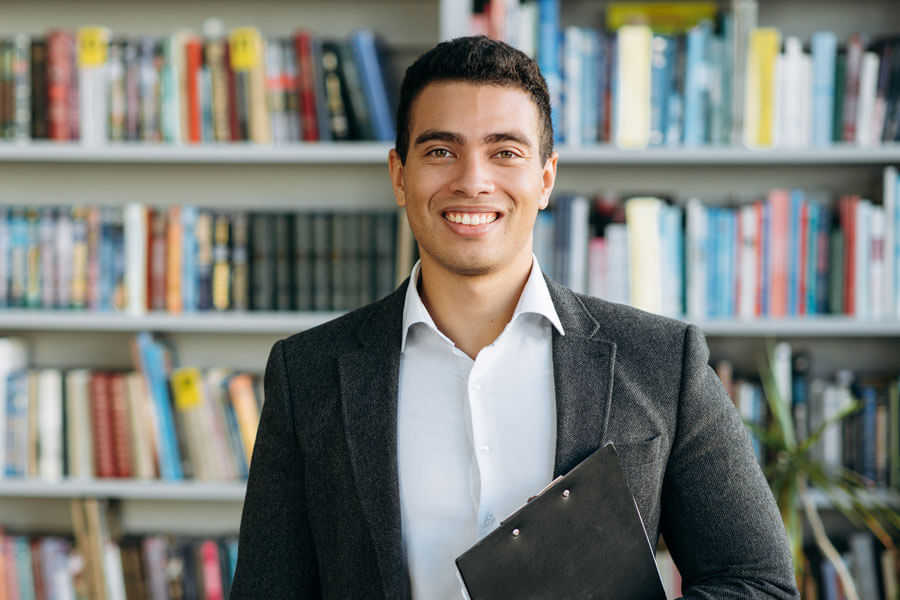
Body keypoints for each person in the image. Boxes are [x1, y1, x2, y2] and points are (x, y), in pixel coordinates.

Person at [230, 36, 798, 599]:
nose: (473, 180)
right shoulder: (306, 374)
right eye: (440, 151)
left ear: (545, 178)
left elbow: (758, 585)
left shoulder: (661, 362)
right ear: (399, 175)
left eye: (505, 152)